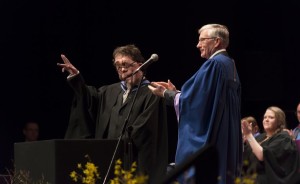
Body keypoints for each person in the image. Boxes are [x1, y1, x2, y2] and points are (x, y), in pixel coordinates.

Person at [57, 44, 168, 183]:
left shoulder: (153, 92)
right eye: (117, 65)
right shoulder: (109, 91)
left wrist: (123, 143)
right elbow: (89, 100)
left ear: (140, 65)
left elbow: (146, 129)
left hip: (134, 163)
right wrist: (76, 77)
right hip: (107, 161)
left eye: (125, 64)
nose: (121, 68)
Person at [148, 24, 242, 184]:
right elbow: (205, 100)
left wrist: (166, 94)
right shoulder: (229, 64)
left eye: (202, 40)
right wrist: (177, 93)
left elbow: (194, 104)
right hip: (225, 136)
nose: (198, 45)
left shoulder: (214, 65)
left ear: (217, 41)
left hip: (212, 136)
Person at [241, 106, 300, 183]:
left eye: (271, 117)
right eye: (265, 117)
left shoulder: (283, 138)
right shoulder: (260, 137)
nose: (266, 120)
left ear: (279, 121)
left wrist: (249, 135)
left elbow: (263, 155)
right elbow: (245, 156)